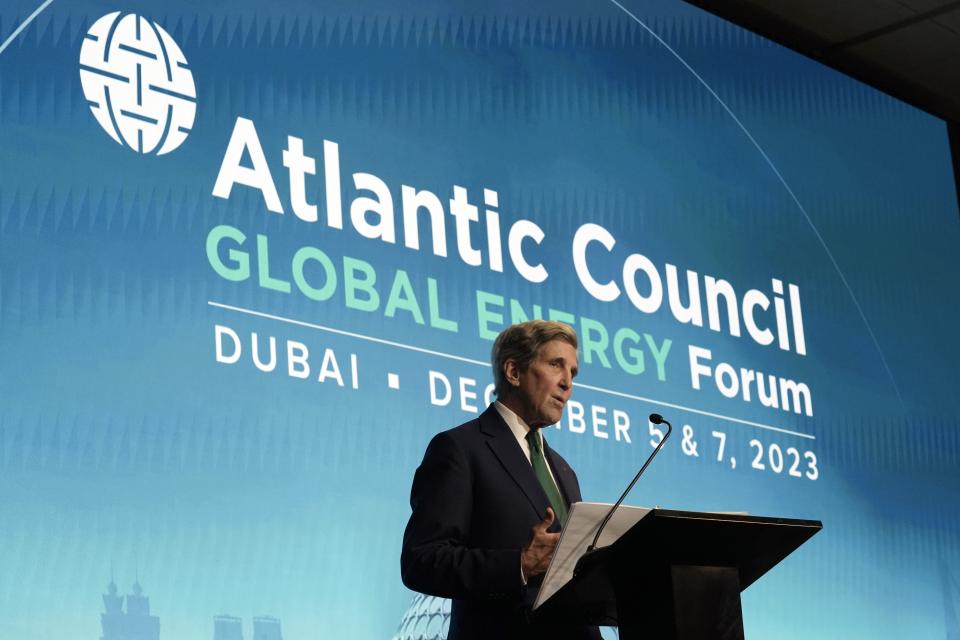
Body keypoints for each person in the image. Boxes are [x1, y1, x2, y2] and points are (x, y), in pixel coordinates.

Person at [401, 320, 601, 640]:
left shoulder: (563, 470)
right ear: (513, 372)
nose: (567, 383)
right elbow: (422, 561)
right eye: (555, 365)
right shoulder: (460, 449)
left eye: (573, 373)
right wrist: (519, 564)